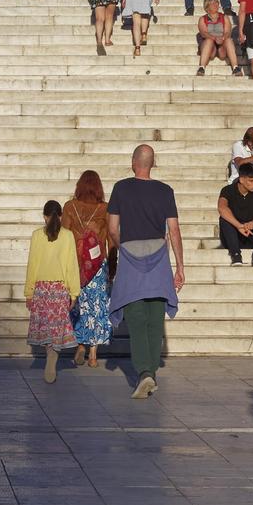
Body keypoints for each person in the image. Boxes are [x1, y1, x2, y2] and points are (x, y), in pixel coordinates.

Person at [107, 144, 183, 400]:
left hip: (130, 253)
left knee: (136, 316)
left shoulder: (121, 188)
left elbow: (112, 228)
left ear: (133, 162)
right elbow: (173, 230)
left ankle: (144, 373)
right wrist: (180, 266)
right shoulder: (165, 191)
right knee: (154, 315)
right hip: (159, 256)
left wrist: (122, 247)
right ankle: (150, 372)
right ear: (153, 163)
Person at [23, 200, 80, 384]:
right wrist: (74, 292)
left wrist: (29, 292)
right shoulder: (68, 236)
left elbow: (33, 264)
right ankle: (52, 356)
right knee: (56, 327)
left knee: (46, 326)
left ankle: (49, 354)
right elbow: (72, 265)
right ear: (61, 216)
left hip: (41, 288)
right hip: (59, 288)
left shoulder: (37, 235)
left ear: (45, 216)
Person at [61, 171, 114, 369]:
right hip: (98, 266)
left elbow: (64, 237)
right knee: (97, 307)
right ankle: (93, 355)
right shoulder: (105, 209)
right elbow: (111, 240)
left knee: (79, 306)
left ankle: (80, 344)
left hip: (75, 265)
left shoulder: (69, 207)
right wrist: (113, 267)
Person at [218, 169, 253, 267]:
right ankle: (235, 255)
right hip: (234, 234)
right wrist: (239, 226)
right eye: (251, 181)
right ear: (241, 179)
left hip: (252, 232)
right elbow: (222, 208)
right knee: (224, 219)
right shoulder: (227, 190)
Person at [196, 0, 240, 76]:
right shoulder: (202, 19)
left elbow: (227, 32)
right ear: (207, 7)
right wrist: (214, 38)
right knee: (209, 41)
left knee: (229, 40)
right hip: (209, 47)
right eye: (212, 3)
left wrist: (222, 38)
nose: (215, 5)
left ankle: (236, 68)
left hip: (221, 47)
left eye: (216, 2)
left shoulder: (224, 17)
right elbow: (204, 33)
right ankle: (201, 67)